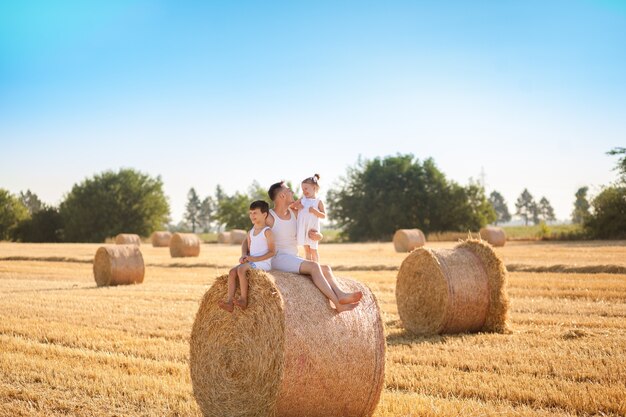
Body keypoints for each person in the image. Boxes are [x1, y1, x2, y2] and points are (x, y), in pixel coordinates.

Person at [241, 181, 362, 313]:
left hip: (291, 257)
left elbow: (312, 226)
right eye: (289, 190)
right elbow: (250, 237)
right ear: (282, 196)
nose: (292, 192)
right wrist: (244, 255)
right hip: (277, 258)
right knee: (314, 266)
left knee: (326, 269)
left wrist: (318, 235)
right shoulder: (269, 217)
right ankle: (337, 303)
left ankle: (341, 294)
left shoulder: (295, 213)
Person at [218, 200, 275, 313]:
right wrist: (244, 256)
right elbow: (248, 248)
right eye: (250, 213)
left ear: (264, 215)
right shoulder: (251, 232)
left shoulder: (267, 231)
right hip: (252, 261)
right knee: (232, 272)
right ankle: (229, 302)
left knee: (241, 269)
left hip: (263, 262)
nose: (252, 215)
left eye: (255, 213)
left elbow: (272, 252)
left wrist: (254, 259)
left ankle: (243, 300)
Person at [290, 173, 325, 262]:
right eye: (303, 189)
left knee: (313, 250)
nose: (304, 191)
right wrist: (297, 207)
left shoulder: (318, 201)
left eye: (306, 188)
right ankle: (309, 268)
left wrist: (315, 212)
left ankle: (316, 267)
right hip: (303, 228)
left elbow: (323, 215)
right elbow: (291, 206)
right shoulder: (302, 200)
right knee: (307, 250)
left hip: (312, 230)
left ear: (314, 188)